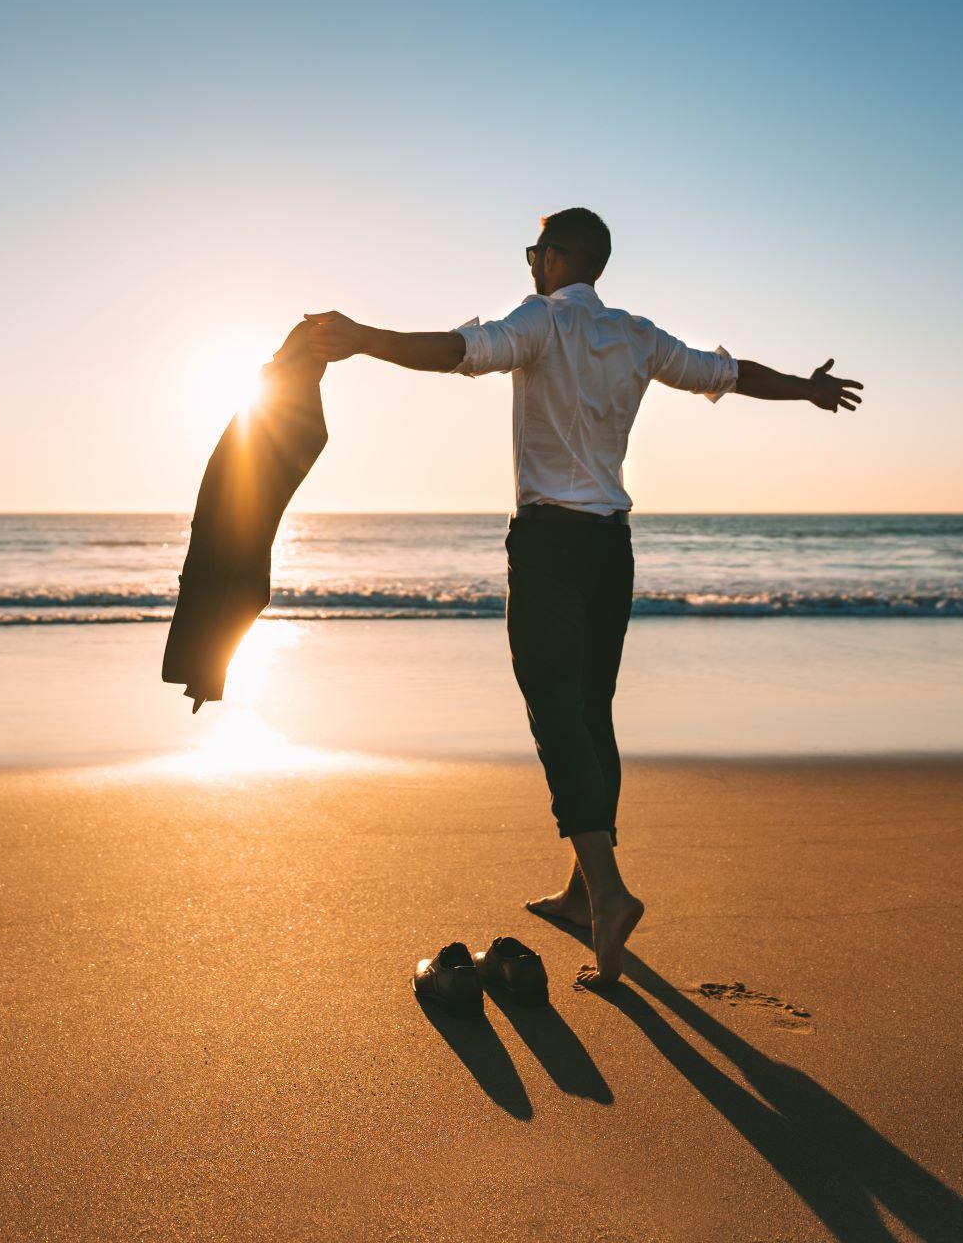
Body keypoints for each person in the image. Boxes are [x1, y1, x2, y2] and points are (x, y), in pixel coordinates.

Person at [303, 208, 863, 987]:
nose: (529, 264)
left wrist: (363, 336)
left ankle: (606, 893)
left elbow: (460, 352)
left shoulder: (542, 321)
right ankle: (578, 892)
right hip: (611, 547)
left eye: (534, 252)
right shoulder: (638, 335)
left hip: (551, 547)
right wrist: (806, 389)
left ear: (558, 258)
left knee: (552, 708)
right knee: (592, 708)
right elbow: (728, 375)